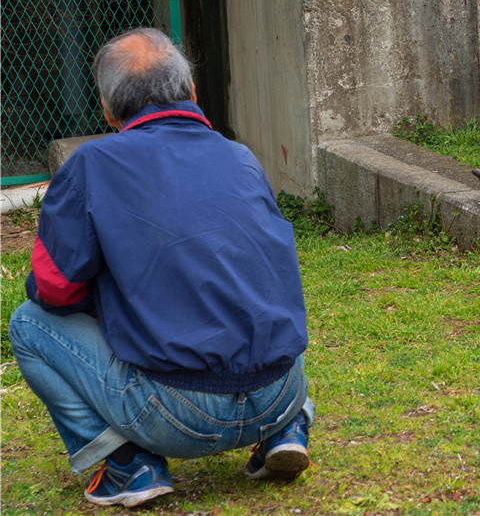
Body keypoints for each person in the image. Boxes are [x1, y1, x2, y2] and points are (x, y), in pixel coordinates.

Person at [8, 28, 314, 508]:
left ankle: (131, 464)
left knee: (28, 322)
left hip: (178, 416)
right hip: (282, 390)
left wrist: (110, 298)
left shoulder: (93, 164)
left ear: (108, 111)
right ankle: (286, 429)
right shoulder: (241, 156)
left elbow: (53, 291)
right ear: (192, 93)